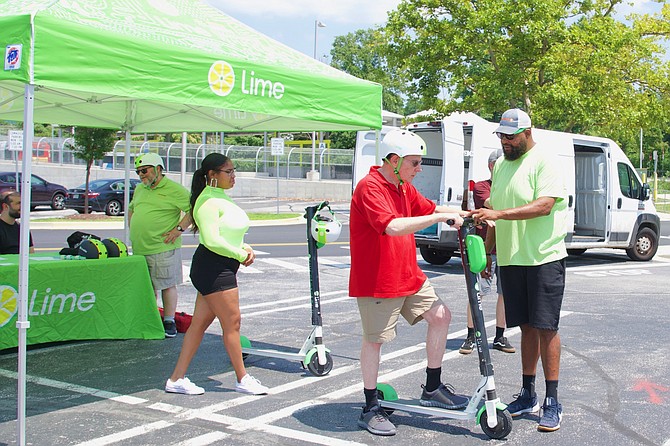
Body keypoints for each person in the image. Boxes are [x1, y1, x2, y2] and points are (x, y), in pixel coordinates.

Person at [350, 129, 468, 437]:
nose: (419, 170)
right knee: (375, 341)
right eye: (414, 163)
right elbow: (392, 227)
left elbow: (431, 207)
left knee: (441, 316)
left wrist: (469, 214)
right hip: (379, 279)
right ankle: (370, 407)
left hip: (408, 275)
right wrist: (438, 220)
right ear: (393, 160)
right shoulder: (370, 187)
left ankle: (432, 387)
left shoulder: (403, 187)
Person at [470, 108, 568, 432]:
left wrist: (499, 216)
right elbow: (494, 210)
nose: (505, 142)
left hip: (543, 258)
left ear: (528, 132)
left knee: (546, 327)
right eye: (501, 136)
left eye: (510, 136)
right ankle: (528, 393)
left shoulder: (546, 160)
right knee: (525, 328)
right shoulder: (500, 165)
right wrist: (487, 251)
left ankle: (552, 400)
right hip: (512, 259)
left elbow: (544, 205)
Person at [166, 153, 268, 396]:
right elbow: (212, 240)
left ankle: (176, 379)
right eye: (228, 172)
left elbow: (227, 233)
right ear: (212, 175)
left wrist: (243, 248)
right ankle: (242, 378)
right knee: (232, 323)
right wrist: (239, 254)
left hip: (220, 265)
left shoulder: (217, 197)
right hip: (214, 268)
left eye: (234, 171)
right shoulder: (208, 201)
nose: (233, 176)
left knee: (198, 325)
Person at [129, 153, 192, 338]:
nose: (141, 175)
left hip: (162, 247)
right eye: (138, 171)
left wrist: (178, 229)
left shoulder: (173, 189)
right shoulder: (141, 189)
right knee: (147, 287)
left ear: (158, 169)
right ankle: (150, 317)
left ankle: (169, 320)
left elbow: (193, 208)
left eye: (144, 170)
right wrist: (134, 226)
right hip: (141, 248)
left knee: (167, 284)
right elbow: (132, 208)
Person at [459, 149, 515, 355]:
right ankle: (471, 335)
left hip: (507, 247)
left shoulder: (509, 187)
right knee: (478, 292)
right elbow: (496, 208)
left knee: (505, 294)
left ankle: (500, 336)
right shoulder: (483, 187)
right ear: (492, 166)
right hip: (484, 248)